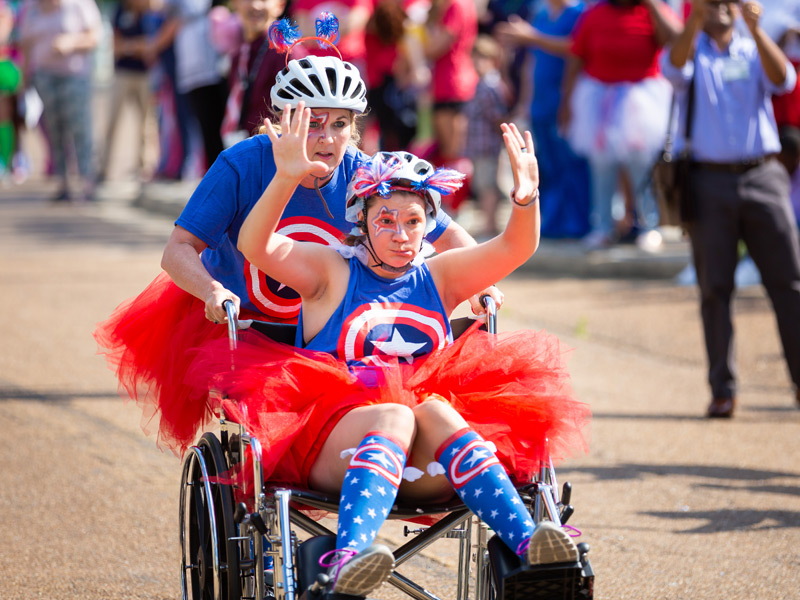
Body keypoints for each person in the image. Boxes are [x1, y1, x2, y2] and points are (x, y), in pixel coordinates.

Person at [195, 106, 589, 595]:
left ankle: (533, 550)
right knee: (396, 417)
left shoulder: (440, 276)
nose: (401, 235)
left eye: (413, 221)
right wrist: (286, 177)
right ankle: (349, 558)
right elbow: (256, 245)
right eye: (386, 221)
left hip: (423, 466)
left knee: (440, 413)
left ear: (429, 225)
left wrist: (526, 198)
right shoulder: (329, 271)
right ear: (362, 221)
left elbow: (515, 249)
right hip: (334, 442)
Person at [94, 37, 502, 456]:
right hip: (252, 329)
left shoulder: (368, 174)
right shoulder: (242, 164)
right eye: (313, 122)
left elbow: (449, 235)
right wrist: (212, 290)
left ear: (355, 128)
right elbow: (177, 249)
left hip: (339, 335)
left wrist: (481, 283)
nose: (327, 138)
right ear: (284, 120)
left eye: (340, 124)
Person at [662, 0, 800, 417]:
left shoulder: (752, 47)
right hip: (708, 181)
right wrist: (695, 19)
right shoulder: (692, 50)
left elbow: (785, 81)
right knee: (715, 289)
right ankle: (723, 388)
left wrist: (757, 31)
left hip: (763, 176)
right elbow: (673, 67)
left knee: (790, 284)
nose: (719, 5)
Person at [561, 0, 681, 251]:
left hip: (641, 100)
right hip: (599, 100)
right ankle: (603, 226)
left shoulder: (650, 11)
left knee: (641, 166)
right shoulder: (594, 14)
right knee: (602, 166)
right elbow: (577, 58)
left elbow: (677, 41)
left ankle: (650, 226)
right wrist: (567, 103)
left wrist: (653, 5)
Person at [495, 0, 591, 239]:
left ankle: (577, 223)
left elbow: (577, 49)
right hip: (540, 105)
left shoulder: (579, 13)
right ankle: (551, 222)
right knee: (547, 167)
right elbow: (531, 62)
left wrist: (531, 36)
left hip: (568, 103)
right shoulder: (541, 13)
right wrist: (525, 102)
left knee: (572, 165)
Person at [17, 0, 102, 202]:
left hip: (74, 75)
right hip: (45, 77)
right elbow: (26, 47)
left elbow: (95, 36)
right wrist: (24, 81)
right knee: (54, 129)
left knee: (80, 127)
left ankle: (87, 182)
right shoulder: (32, 8)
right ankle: (63, 183)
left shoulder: (79, 4)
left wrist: (71, 42)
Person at [99, 0, 159, 183]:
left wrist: (131, 47)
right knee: (112, 122)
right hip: (122, 73)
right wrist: (136, 47)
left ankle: (145, 168)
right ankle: (104, 168)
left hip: (146, 75)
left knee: (147, 124)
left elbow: (152, 45)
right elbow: (115, 45)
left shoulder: (151, 13)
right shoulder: (120, 11)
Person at [464, 34, 510, 238]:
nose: (478, 62)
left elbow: (497, 117)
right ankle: (489, 223)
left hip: (487, 145)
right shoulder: (484, 84)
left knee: (488, 185)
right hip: (479, 145)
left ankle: (490, 225)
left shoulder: (490, 85)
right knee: (484, 184)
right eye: (476, 57)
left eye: (483, 58)